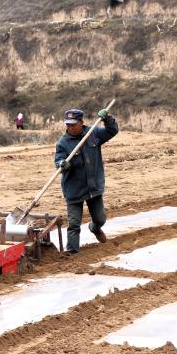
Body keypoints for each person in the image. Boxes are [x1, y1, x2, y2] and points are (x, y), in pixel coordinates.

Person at [54, 108, 119, 255]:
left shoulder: (93, 134)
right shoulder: (62, 143)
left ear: (81, 123)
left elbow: (112, 130)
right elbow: (58, 161)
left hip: (93, 187)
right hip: (74, 189)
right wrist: (62, 164)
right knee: (74, 224)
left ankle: (94, 228)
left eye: (73, 124)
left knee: (100, 219)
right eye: (68, 124)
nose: (70, 127)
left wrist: (107, 118)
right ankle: (72, 252)